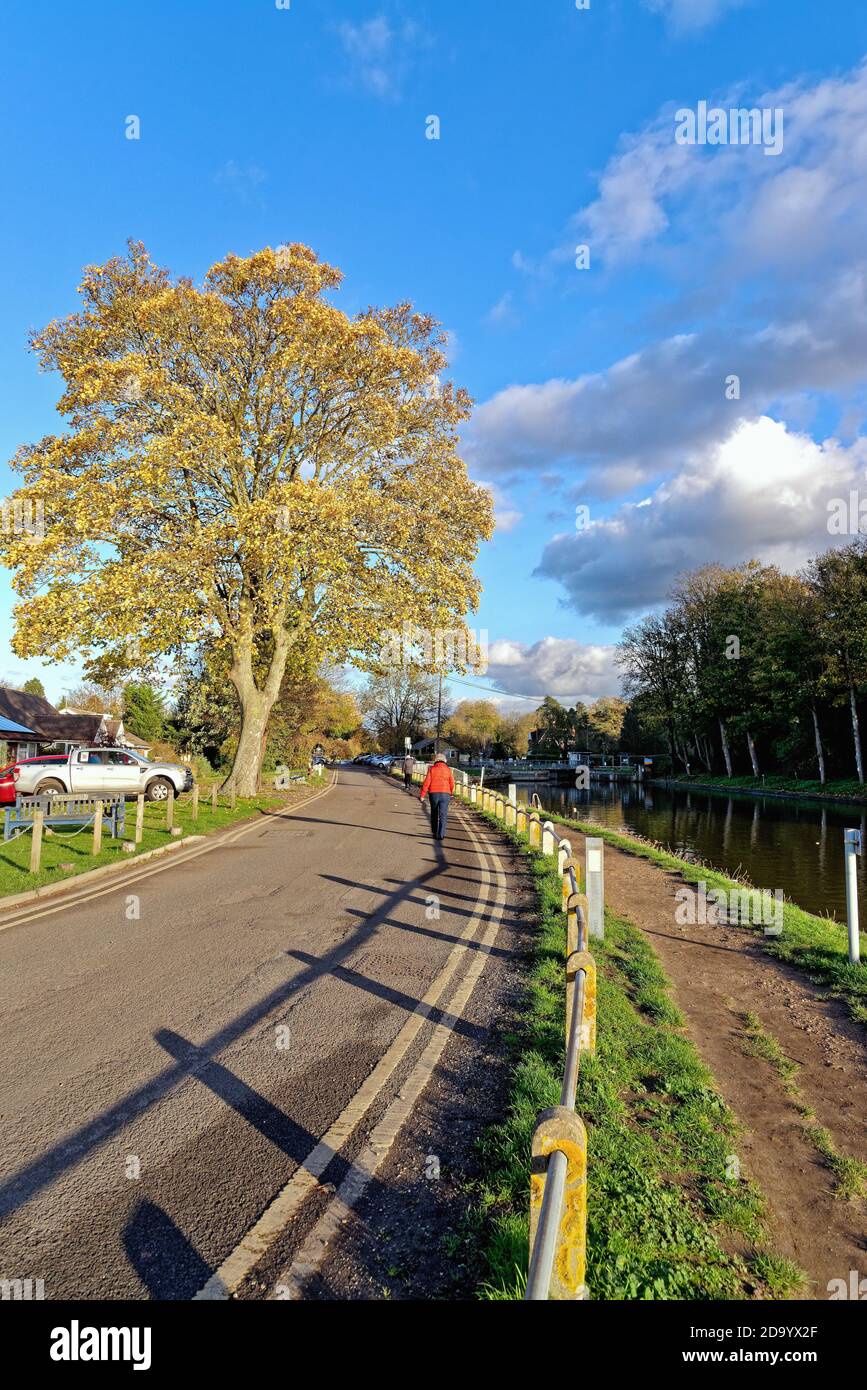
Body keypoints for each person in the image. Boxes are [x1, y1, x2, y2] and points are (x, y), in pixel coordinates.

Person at [419, 753, 455, 841]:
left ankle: (434, 832)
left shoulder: (432, 769)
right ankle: (441, 835)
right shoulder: (448, 770)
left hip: (434, 794)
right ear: (444, 760)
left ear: (436, 760)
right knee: (443, 814)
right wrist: (451, 792)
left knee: (434, 813)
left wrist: (422, 795)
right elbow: (452, 783)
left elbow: (427, 782)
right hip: (445, 793)